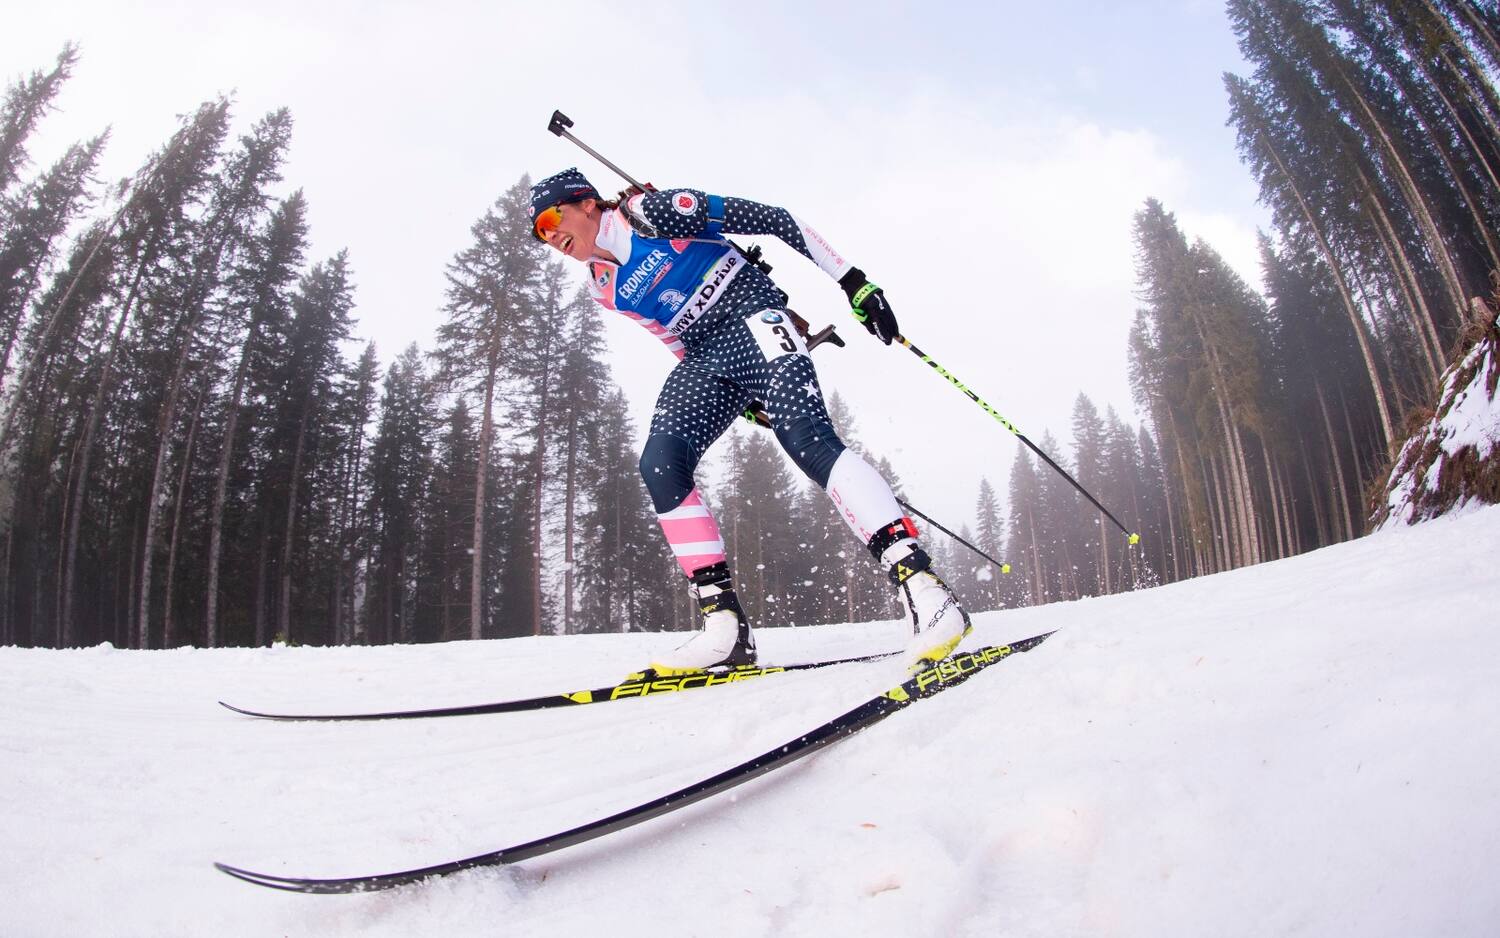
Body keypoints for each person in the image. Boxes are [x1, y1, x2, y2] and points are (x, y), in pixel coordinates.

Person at [529, 167, 970, 674]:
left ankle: (926, 591)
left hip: (755, 318)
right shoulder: (603, 287)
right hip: (706, 359)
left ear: (586, 203)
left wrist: (853, 281)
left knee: (807, 439)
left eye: (550, 220)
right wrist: (737, 398)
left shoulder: (653, 213)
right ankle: (726, 629)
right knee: (661, 462)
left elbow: (777, 220)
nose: (549, 237)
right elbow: (670, 335)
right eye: (540, 235)